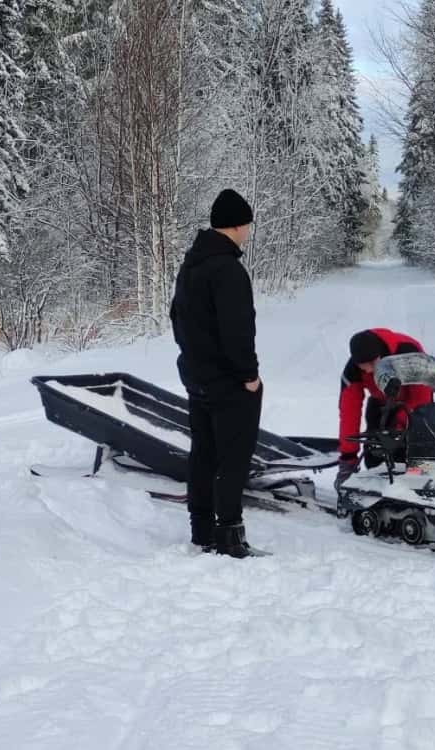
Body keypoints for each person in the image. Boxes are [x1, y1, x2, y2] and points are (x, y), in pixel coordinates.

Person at [169, 188, 263, 558]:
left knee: (204, 453)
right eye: (247, 226)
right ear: (238, 225)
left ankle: (202, 530)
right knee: (233, 458)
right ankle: (230, 536)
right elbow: (238, 330)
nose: (248, 232)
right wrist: (249, 375)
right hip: (228, 381)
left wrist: (193, 362)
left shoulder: (190, 265)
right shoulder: (228, 270)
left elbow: (177, 319)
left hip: (196, 375)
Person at [335, 329, 433, 490]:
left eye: (373, 364)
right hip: (380, 403)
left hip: (413, 404)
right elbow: (349, 414)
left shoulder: (409, 352)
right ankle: (379, 492)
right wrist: (348, 458)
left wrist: (400, 430)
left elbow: (420, 401)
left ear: (381, 355)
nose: (368, 371)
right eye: (363, 367)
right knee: (374, 456)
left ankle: (417, 486)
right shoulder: (352, 371)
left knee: (410, 450)